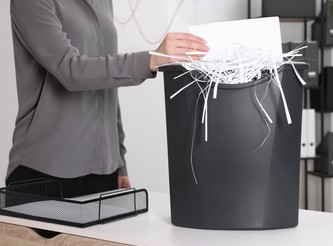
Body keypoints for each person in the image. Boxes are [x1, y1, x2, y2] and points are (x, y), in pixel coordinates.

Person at [6, 0, 209, 198]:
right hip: (45, 169)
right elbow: (70, 70)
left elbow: (105, 84)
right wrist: (152, 59)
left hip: (103, 172)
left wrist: (119, 162)